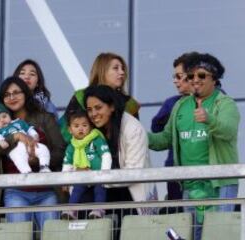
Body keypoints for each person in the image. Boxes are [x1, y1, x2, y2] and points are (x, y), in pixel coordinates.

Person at [148, 53, 240, 240]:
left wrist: (209, 119)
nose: (195, 80)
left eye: (202, 75)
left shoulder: (225, 103)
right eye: (190, 76)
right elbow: (165, 139)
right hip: (190, 185)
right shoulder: (180, 106)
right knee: (195, 235)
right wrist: (138, 137)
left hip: (218, 185)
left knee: (218, 235)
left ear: (214, 79)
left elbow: (229, 130)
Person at [0, 76, 66, 231]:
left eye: (16, 92)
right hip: (16, 191)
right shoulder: (0, 124)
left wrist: (37, 160)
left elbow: (60, 151)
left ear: (26, 94)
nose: (12, 97)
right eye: (7, 95)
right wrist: (15, 136)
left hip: (47, 190)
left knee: (51, 235)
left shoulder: (44, 118)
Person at [84, 85, 158, 237]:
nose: (93, 114)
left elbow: (132, 173)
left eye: (98, 108)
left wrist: (97, 178)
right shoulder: (91, 131)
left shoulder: (132, 128)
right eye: (89, 109)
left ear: (111, 107)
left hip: (131, 200)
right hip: (105, 198)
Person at [61, 52, 141, 143]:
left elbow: (137, 137)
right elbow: (64, 133)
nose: (122, 72)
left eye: (122, 68)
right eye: (116, 68)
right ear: (102, 71)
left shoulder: (130, 104)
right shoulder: (81, 97)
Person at [151, 52, 195, 204]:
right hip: (176, 171)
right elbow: (158, 131)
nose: (175, 81)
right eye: (174, 77)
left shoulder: (216, 99)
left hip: (204, 174)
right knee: (180, 216)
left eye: (178, 76)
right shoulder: (172, 103)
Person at [61, 109, 112, 220]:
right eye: (76, 126)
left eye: (84, 125)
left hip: (98, 176)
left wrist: (104, 174)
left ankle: (98, 210)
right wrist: (64, 180)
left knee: (100, 189)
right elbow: (67, 164)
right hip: (82, 177)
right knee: (76, 190)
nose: (81, 129)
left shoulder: (96, 139)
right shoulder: (71, 146)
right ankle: (71, 210)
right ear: (70, 130)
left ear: (91, 127)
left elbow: (106, 155)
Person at [0, 104, 51, 173]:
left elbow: (29, 129)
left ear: (9, 116)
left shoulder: (19, 122)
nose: (2, 120)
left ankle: (44, 166)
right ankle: (27, 172)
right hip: (15, 148)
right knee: (19, 159)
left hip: (30, 144)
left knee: (43, 149)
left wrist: (35, 135)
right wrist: (1, 142)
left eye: (4, 116)